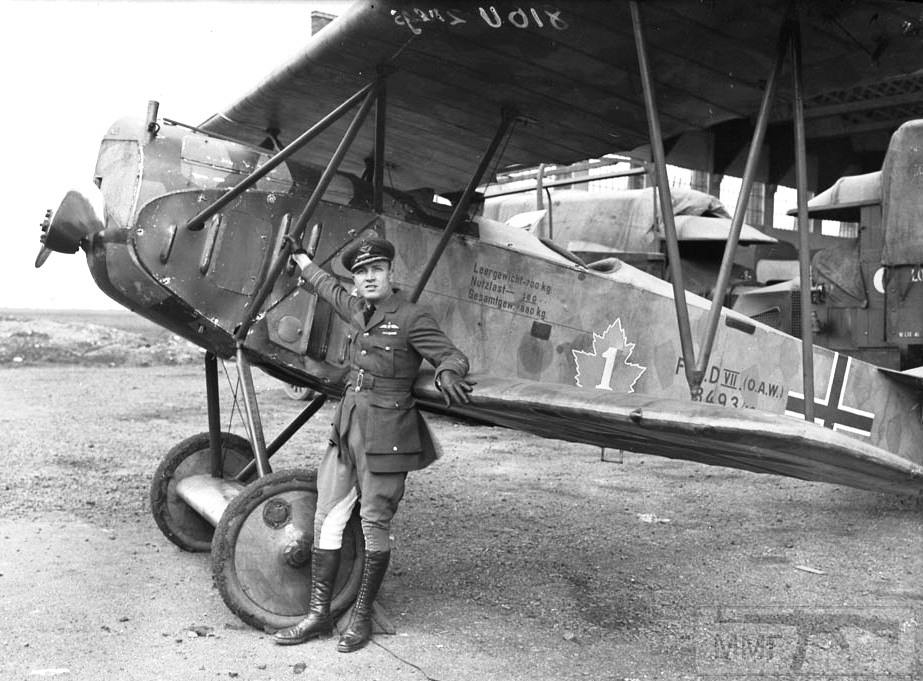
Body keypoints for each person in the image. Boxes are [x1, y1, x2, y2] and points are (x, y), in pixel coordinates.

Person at [273, 236, 475, 652]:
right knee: (326, 518)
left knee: (373, 523)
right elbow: (328, 288)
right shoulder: (357, 308)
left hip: (387, 435)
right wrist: (302, 260)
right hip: (347, 427)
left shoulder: (412, 316)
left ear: (390, 274)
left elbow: (451, 355)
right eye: (361, 272)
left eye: (375, 270)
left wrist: (447, 374)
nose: (367, 277)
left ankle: (361, 618)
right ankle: (318, 615)